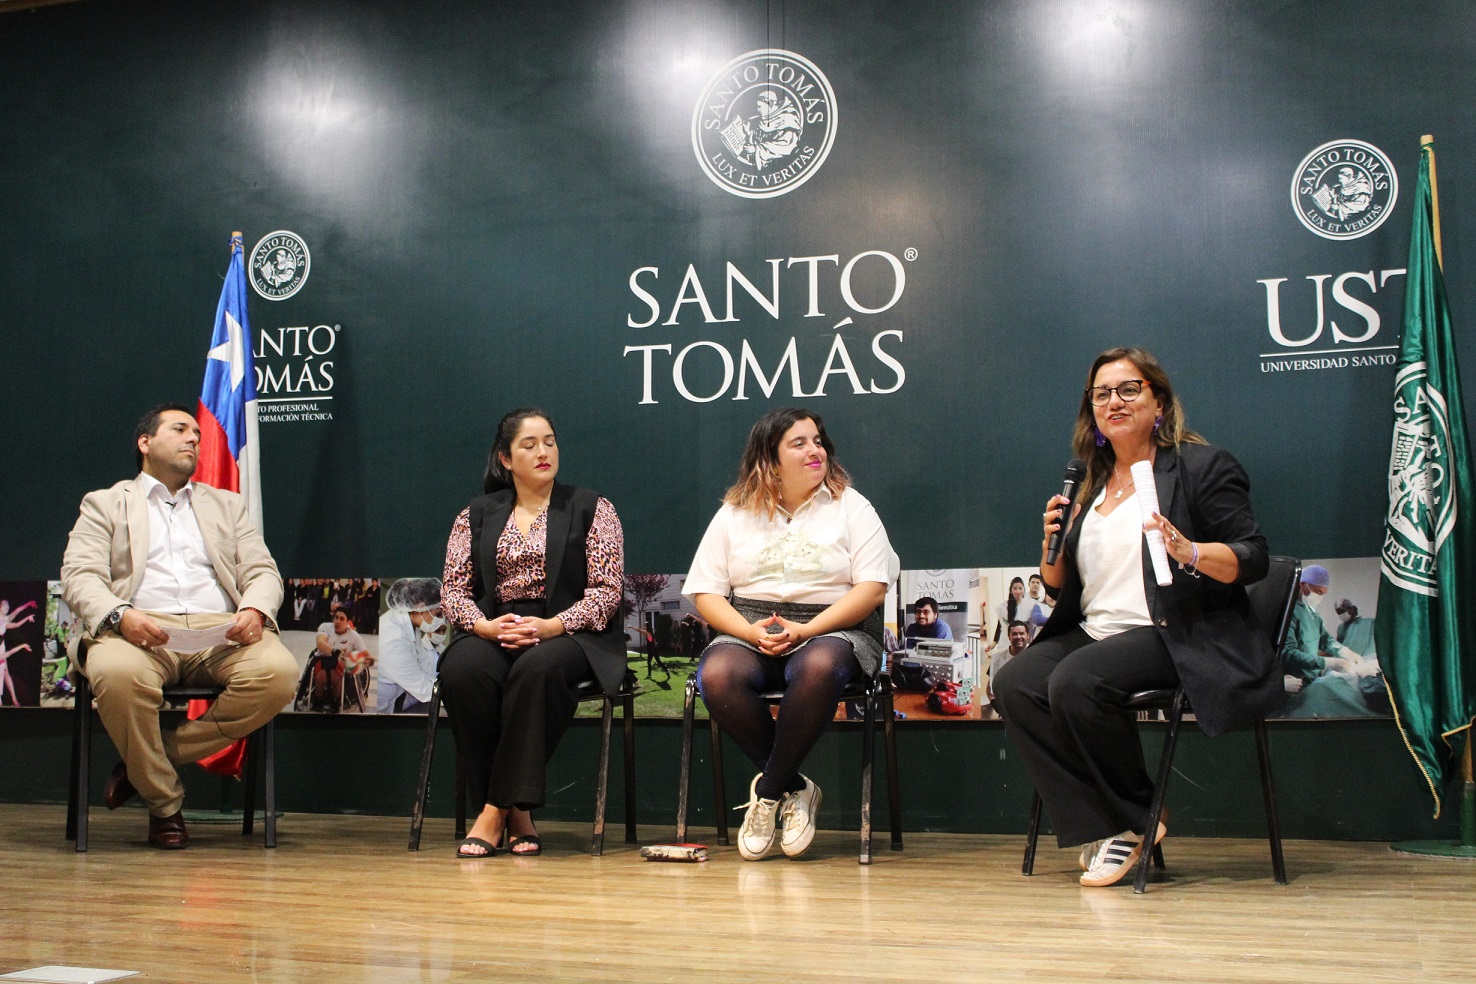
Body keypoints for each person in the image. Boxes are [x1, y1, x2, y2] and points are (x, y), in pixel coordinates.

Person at [993, 347, 1281, 887]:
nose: (1114, 401)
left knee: (1076, 680)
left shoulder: (1201, 467)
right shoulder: (1088, 483)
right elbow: (1056, 589)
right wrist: (1050, 542)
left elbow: (1254, 557)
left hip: (1176, 632)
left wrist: (1190, 550)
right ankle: (1115, 822)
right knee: (1013, 682)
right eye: (1102, 393)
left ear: (1159, 402)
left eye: (1129, 389)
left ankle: (1134, 821)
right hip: (1096, 629)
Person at [59, 403, 297, 849]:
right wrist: (120, 615)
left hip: (221, 631)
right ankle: (165, 806)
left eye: (196, 433)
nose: (194, 438)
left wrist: (256, 611)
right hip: (138, 631)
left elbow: (262, 571)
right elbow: (80, 575)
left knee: (279, 673)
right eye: (180, 429)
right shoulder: (105, 503)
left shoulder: (227, 504)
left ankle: (145, 765)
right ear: (145, 442)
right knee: (114, 672)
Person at [684, 407, 899, 861]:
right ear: (770, 457)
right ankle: (796, 788)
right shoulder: (734, 512)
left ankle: (766, 794)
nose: (815, 449)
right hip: (754, 626)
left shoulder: (851, 506)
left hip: (835, 625)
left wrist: (807, 630)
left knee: (819, 665)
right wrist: (747, 630)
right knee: (718, 673)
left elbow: (873, 587)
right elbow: (705, 592)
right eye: (799, 443)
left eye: (818, 440)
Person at [437, 408, 625, 858]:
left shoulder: (592, 508)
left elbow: (607, 591)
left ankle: (493, 810)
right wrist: (482, 625)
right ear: (506, 458)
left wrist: (553, 625)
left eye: (550, 441)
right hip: (495, 628)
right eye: (530, 444)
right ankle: (518, 812)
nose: (544, 452)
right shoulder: (475, 515)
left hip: (570, 631)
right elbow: (453, 590)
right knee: (463, 670)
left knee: (538, 668)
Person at [1278, 566, 1378, 718]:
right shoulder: (1288, 613)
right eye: (1318, 592)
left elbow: (1326, 640)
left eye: (1323, 594)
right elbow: (1288, 653)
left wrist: (1345, 652)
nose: (1320, 597)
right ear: (1302, 584)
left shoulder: (1312, 613)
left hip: (1312, 681)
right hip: (1295, 683)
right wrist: (1330, 663)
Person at [376, 577, 446, 713]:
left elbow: (424, 666)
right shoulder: (393, 639)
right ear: (420, 608)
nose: (441, 620)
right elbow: (422, 689)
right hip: (379, 706)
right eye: (438, 614)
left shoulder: (413, 626)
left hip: (390, 703)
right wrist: (458, 697)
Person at [309, 606, 371, 712]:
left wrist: (361, 661)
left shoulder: (354, 636)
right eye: (336, 617)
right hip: (323, 658)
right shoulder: (326, 627)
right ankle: (317, 700)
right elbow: (320, 643)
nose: (337, 621)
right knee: (321, 671)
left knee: (336, 669)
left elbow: (366, 656)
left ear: (348, 622)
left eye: (342, 619)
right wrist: (336, 652)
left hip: (340, 663)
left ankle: (336, 701)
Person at [986, 620, 1031, 703]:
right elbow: (990, 686)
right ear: (1009, 637)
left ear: (1028, 636)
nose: (1018, 637)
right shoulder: (997, 657)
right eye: (1014, 634)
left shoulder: (1035, 655)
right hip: (1006, 705)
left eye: (1021, 633)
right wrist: (995, 704)